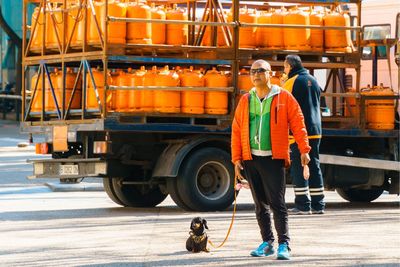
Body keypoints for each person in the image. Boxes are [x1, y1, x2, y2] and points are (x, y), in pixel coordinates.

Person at [231, 59, 311, 260]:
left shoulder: (283, 97)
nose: (256, 74)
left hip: (273, 159)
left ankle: (284, 244)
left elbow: (298, 123)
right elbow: (237, 129)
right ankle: (267, 242)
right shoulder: (245, 100)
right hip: (251, 159)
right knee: (260, 205)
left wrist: (304, 149)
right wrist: (237, 159)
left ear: (270, 74)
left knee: (278, 203)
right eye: (252, 71)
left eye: (260, 71)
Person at [282, 54, 325, 215]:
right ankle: (318, 205)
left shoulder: (291, 82)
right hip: (315, 130)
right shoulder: (314, 80)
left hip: (299, 131)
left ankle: (302, 205)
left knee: (299, 166)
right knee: (314, 164)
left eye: (285, 67)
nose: (284, 70)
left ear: (290, 66)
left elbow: (283, 104)